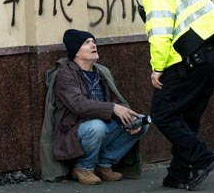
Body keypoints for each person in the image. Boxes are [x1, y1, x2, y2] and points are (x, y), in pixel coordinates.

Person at [130, 0, 214, 190]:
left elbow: (160, 31)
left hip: (186, 60)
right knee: (187, 117)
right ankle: (179, 173)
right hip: (209, 56)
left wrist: (157, 68)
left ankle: (203, 158)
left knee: (162, 113)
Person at [40, 29, 148, 185]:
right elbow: (78, 105)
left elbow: (118, 101)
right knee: (97, 127)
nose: (93, 45)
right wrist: (113, 108)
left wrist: (126, 113)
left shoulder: (101, 72)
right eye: (87, 43)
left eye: (93, 41)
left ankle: (103, 165)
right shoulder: (66, 74)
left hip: (102, 126)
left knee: (141, 122)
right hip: (73, 132)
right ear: (76, 51)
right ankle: (83, 168)